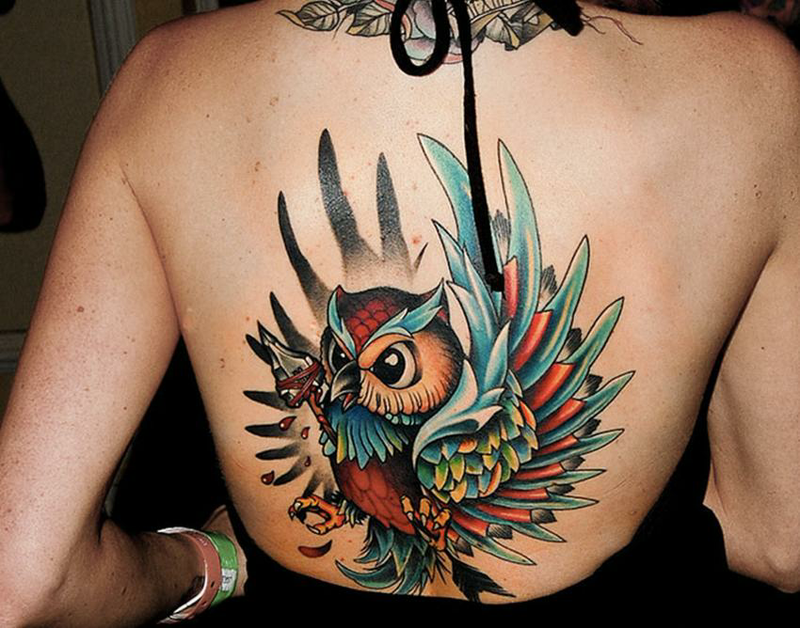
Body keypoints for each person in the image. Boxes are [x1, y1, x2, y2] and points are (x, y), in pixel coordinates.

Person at [1, 0, 798, 625]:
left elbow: (24, 579)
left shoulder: (170, 82)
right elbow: (780, 543)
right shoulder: (748, 85)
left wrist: (206, 563)